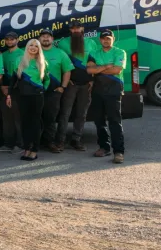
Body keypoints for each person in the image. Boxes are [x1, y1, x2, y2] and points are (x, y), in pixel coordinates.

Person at [55, 20, 97, 151]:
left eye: (78, 28)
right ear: (70, 30)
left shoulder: (92, 43)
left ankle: (76, 140)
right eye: (73, 28)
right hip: (70, 84)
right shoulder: (62, 43)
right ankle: (60, 141)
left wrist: (92, 80)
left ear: (82, 29)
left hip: (86, 85)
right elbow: (58, 64)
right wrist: (65, 80)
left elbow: (95, 62)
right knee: (65, 113)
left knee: (81, 114)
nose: (75, 30)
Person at [87, 29, 127, 164]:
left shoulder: (120, 52)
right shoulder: (94, 52)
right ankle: (104, 147)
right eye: (103, 38)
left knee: (115, 122)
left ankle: (118, 152)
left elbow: (117, 69)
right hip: (97, 91)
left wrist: (98, 68)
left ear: (113, 39)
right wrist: (106, 66)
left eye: (108, 38)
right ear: (100, 40)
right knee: (99, 121)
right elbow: (89, 70)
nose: (106, 40)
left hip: (114, 91)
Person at [7, 39, 48, 161]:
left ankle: (34, 150)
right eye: (31, 45)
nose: (33, 47)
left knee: (35, 123)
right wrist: (9, 94)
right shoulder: (18, 61)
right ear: (27, 47)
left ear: (39, 49)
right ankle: (26, 148)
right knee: (24, 123)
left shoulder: (42, 63)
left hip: (37, 97)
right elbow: (13, 80)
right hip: (22, 96)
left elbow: (47, 80)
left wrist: (42, 90)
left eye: (36, 46)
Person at [38, 29, 73, 152]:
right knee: (36, 117)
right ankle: (36, 142)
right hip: (35, 91)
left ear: (52, 39)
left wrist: (62, 87)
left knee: (50, 118)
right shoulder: (34, 51)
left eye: (48, 36)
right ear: (39, 39)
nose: (46, 38)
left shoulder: (60, 53)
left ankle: (50, 142)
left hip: (53, 92)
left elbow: (67, 71)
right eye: (43, 37)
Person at [0, 31, 25, 153]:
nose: (9, 41)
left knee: (18, 118)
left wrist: (12, 89)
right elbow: (0, 73)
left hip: (18, 90)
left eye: (12, 39)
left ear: (17, 40)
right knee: (7, 118)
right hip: (4, 89)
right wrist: (3, 87)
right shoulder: (2, 55)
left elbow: (23, 75)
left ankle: (20, 144)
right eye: (7, 39)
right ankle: (8, 143)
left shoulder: (23, 54)